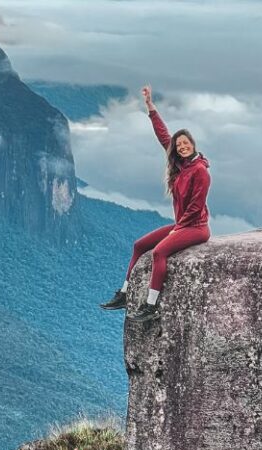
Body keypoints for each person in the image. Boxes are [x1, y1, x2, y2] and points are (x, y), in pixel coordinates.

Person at [100, 84, 211, 321]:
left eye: (185, 143)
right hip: (182, 225)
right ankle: (124, 293)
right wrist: (150, 107)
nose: (181, 147)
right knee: (140, 245)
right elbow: (163, 135)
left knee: (159, 252)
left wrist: (178, 230)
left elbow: (197, 205)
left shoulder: (201, 170)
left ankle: (151, 306)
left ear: (193, 144)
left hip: (196, 227)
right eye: (179, 145)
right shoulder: (181, 165)